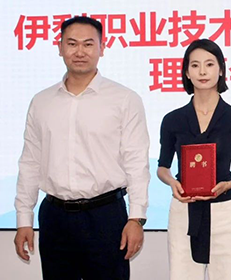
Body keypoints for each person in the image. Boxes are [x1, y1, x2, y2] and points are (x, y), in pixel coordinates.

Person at [14, 16, 150, 279]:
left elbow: (136, 162)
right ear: (60, 47)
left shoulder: (124, 99)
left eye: (88, 44)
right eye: (72, 43)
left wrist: (136, 218)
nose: (80, 51)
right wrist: (23, 220)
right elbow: (30, 162)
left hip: (105, 216)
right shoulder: (41, 102)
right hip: (54, 217)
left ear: (102, 48)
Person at [157, 39, 231, 280]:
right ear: (186, 72)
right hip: (183, 209)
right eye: (195, 65)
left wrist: (228, 185)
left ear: (221, 69)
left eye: (209, 64)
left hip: (224, 210)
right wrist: (172, 183)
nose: (202, 71)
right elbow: (162, 167)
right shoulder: (172, 120)